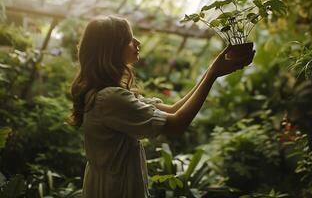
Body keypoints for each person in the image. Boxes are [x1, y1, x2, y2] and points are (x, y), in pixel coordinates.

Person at [68, 15, 255, 198]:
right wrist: (213, 74)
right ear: (112, 49)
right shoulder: (109, 99)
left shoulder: (106, 94)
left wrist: (212, 70)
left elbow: (173, 110)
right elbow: (177, 124)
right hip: (115, 190)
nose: (138, 41)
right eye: (129, 39)